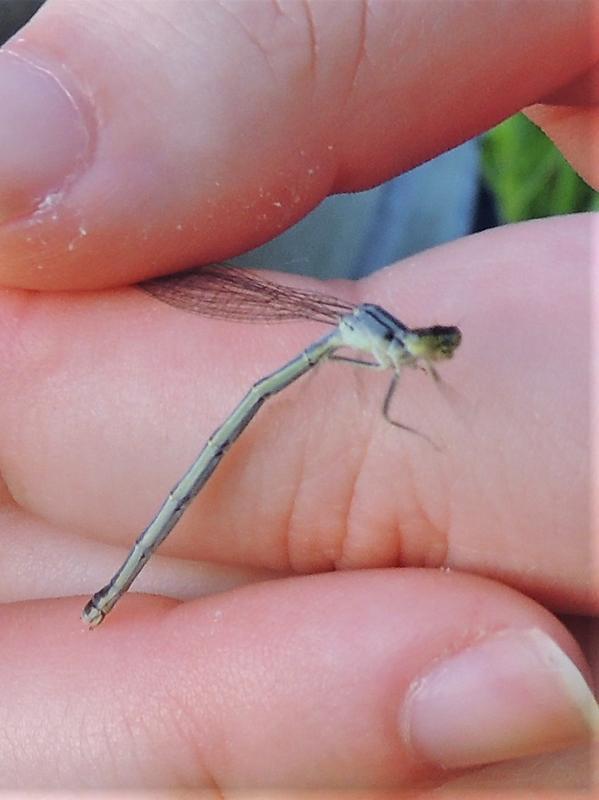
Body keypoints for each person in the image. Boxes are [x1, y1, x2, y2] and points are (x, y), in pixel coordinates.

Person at [0, 0, 596, 791]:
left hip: (374, 228)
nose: (436, 356)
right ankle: (110, 597)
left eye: (435, 348)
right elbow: (388, 407)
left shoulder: (404, 330)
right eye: (431, 348)